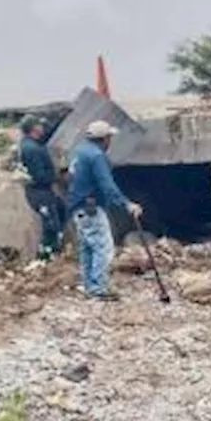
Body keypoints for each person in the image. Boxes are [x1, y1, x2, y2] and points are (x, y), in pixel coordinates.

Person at [65, 120, 142, 300]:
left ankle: (89, 285)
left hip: (78, 207)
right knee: (103, 247)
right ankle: (99, 287)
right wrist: (127, 204)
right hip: (91, 207)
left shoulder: (80, 151)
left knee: (87, 248)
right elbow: (107, 185)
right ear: (104, 139)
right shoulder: (97, 156)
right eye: (109, 138)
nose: (110, 141)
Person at [17, 115, 65, 259]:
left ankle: (51, 253)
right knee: (51, 226)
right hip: (40, 193)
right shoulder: (32, 149)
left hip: (40, 192)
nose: (43, 127)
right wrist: (59, 176)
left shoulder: (30, 144)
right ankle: (45, 257)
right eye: (40, 125)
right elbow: (40, 176)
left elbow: (46, 136)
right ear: (34, 128)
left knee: (61, 211)